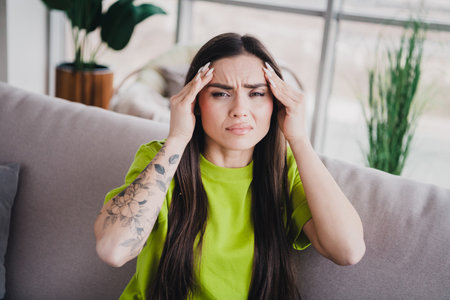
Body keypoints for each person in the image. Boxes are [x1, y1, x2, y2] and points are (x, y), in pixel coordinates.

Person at [94, 32, 365, 300]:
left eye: (257, 93)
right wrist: (177, 138)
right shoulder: (161, 158)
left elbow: (348, 251)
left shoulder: (285, 169)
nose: (240, 109)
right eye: (221, 94)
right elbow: (113, 250)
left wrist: (298, 138)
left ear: (275, 102)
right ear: (196, 102)